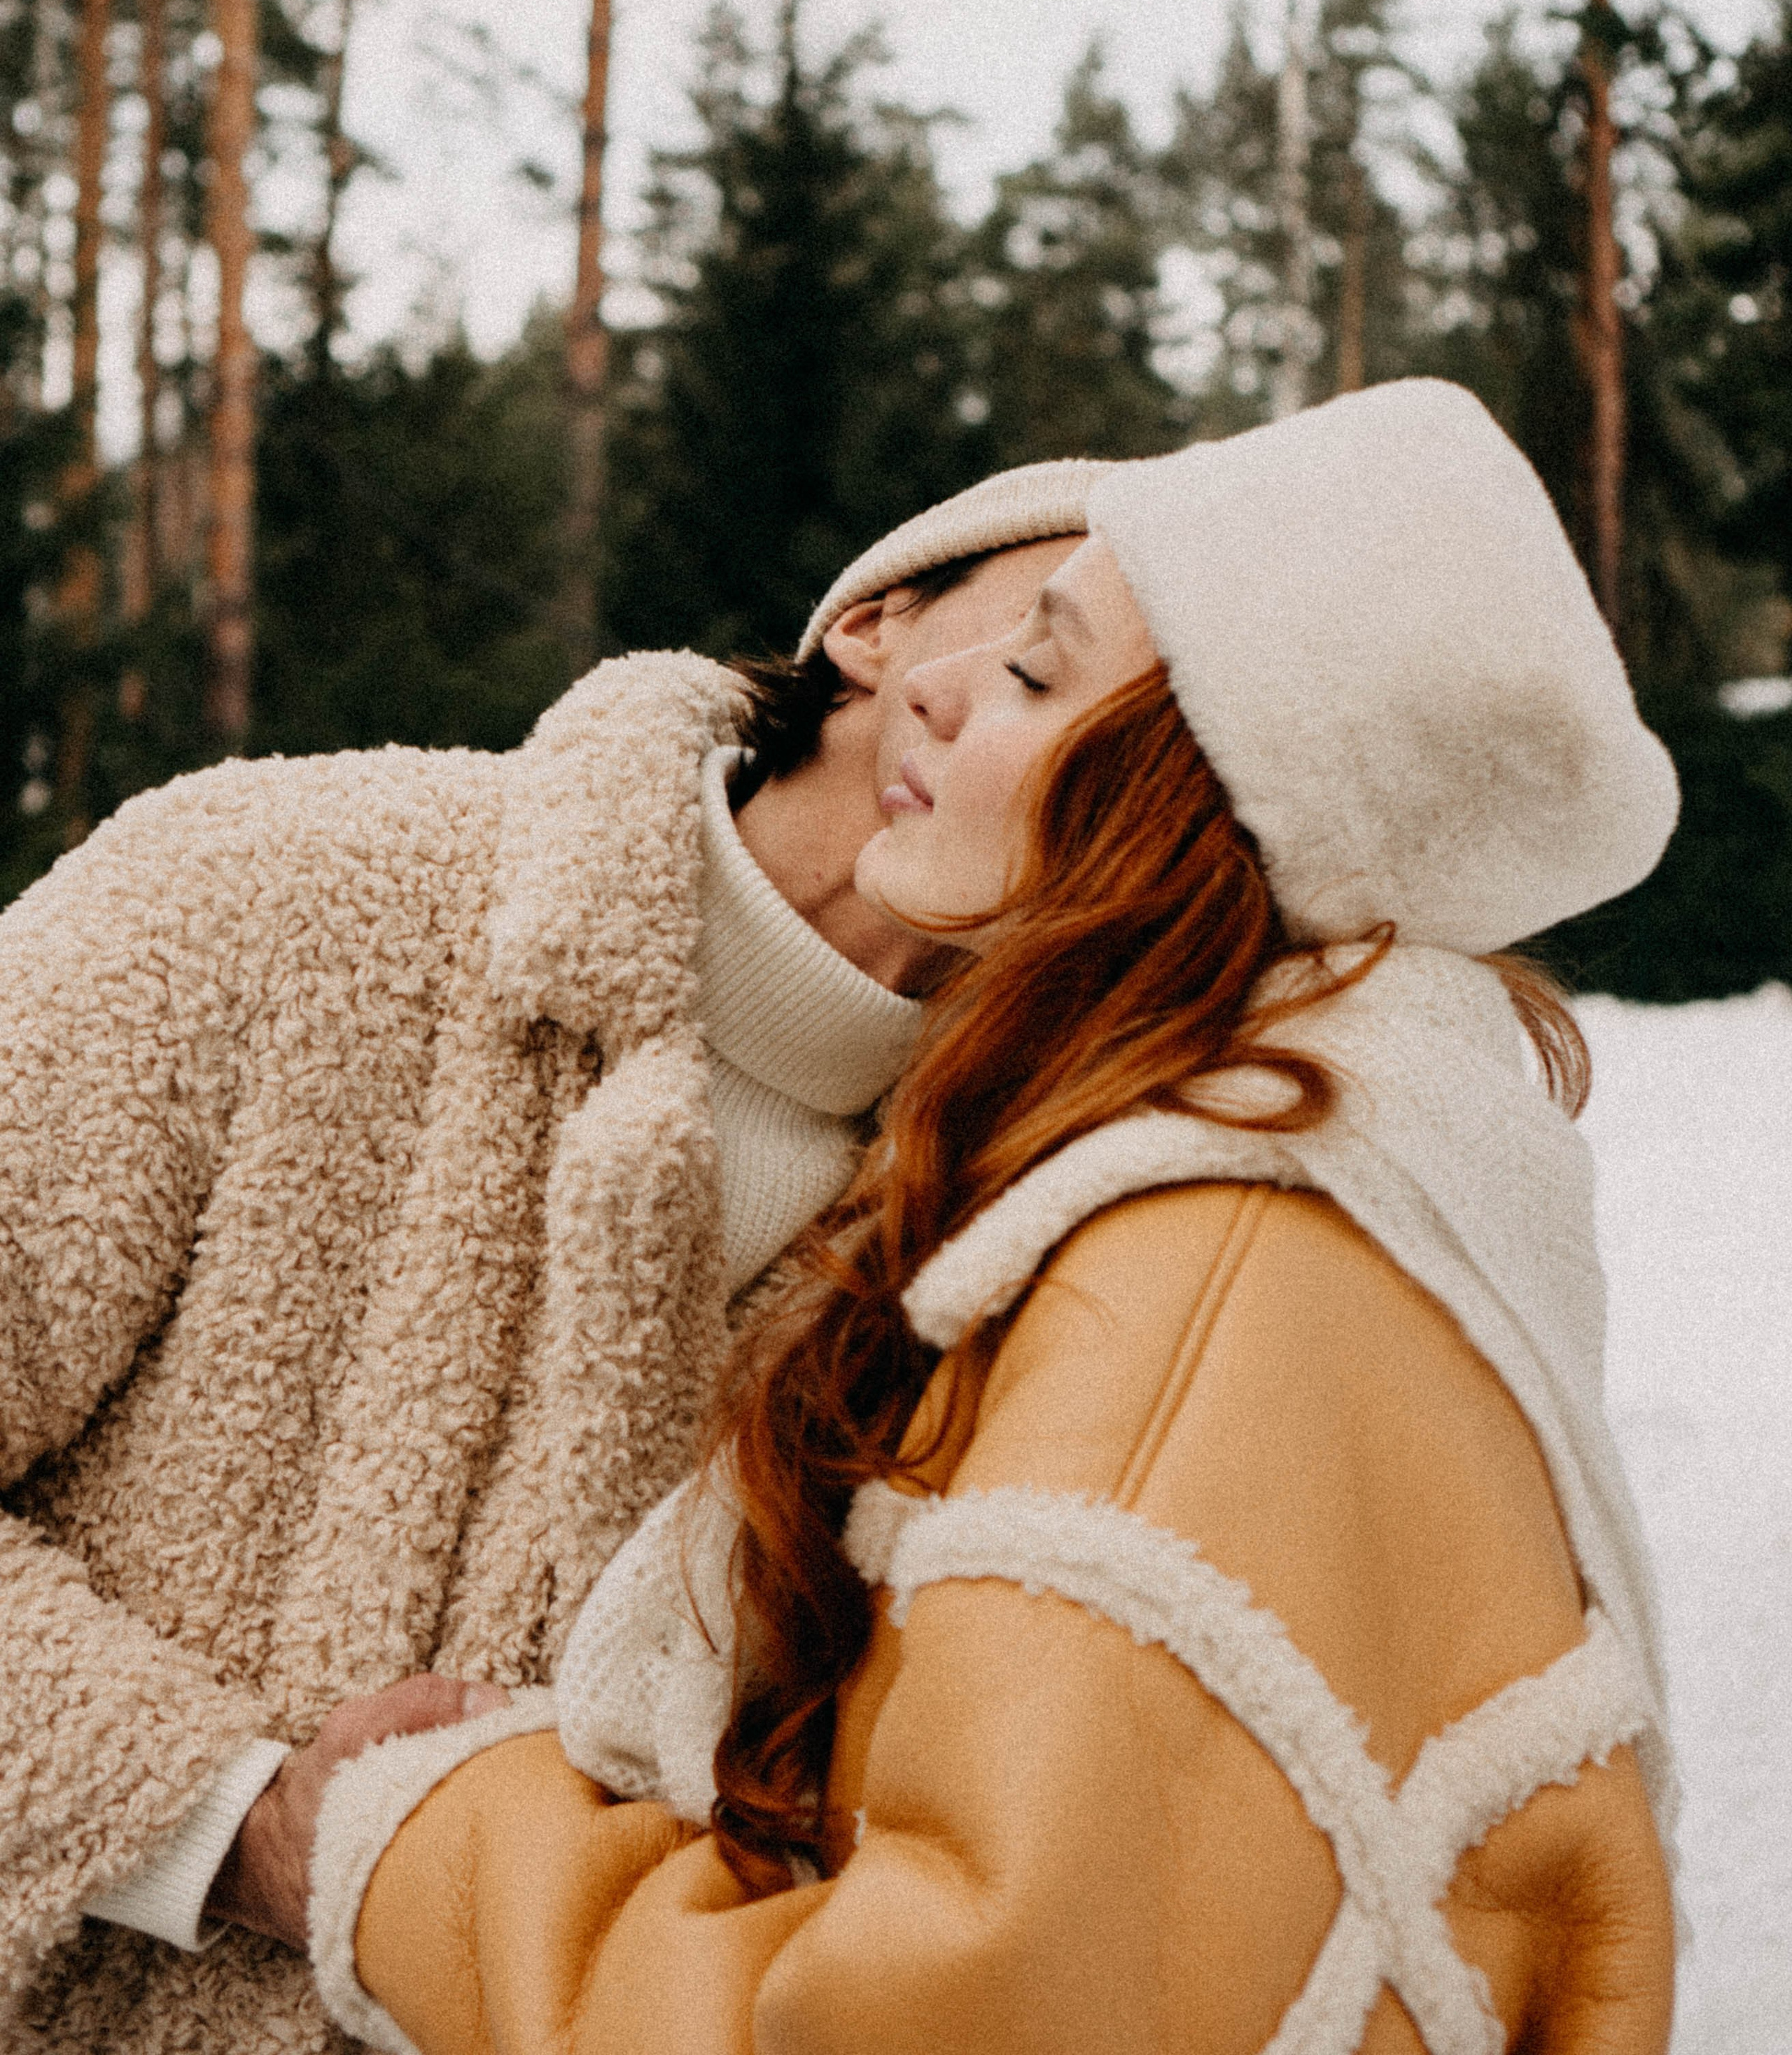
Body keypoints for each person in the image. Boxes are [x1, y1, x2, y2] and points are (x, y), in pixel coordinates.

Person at [300, 380, 1680, 2055]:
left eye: (1031, 668)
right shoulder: (1290, 1179)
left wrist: (415, 1844)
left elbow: (967, 2017)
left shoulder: (1209, 1275)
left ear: (1197, 809)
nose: (926, 693)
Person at [0, 455, 1107, 2054]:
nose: (1082, 739)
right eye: (1042, 644)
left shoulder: (1029, 1236)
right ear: (874, 625)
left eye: (1167, 741)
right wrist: (222, 1823)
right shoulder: (268, 893)